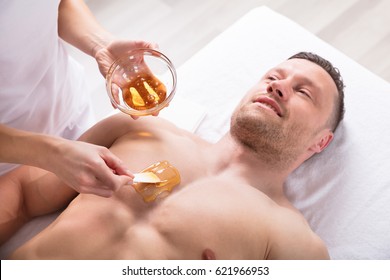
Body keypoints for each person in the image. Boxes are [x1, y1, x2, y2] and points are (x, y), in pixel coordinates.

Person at [0, 52, 345, 259]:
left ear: (321, 142)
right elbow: (24, 195)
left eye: (303, 92)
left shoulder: (295, 241)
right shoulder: (140, 128)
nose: (278, 86)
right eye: (273, 76)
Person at [0, 0, 158, 197]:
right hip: (8, 163)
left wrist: (102, 45)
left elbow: (56, 5)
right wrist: (52, 153)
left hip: (70, 111)